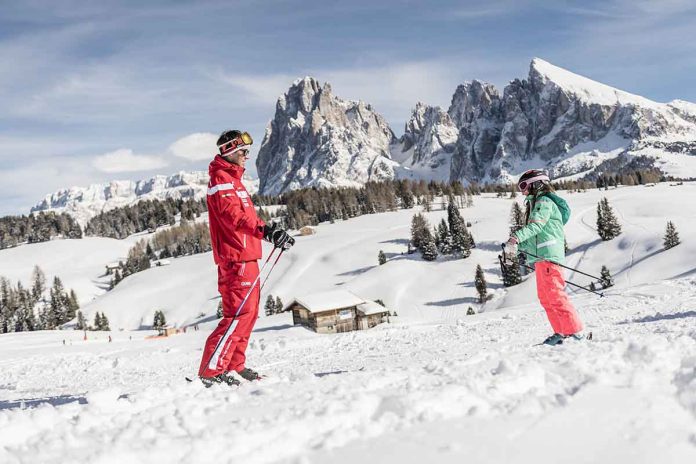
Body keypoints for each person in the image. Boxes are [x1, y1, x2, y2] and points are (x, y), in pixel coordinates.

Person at [198, 129, 294, 387]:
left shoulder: (234, 180)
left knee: (249, 315)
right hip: (235, 259)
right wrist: (263, 231)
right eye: (242, 151)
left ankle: (233, 366)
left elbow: (248, 218)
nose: (246, 156)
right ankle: (210, 371)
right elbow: (233, 217)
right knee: (237, 316)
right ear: (229, 151)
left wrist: (271, 233)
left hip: (247, 256)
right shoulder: (221, 180)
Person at [505, 169, 584, 346]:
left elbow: (535, 227)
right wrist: (514, 249)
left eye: (524, 186)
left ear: (537, 184)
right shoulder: (536, 203)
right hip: (542, 259)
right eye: (520, 187)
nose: (522, 191)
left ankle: (575, 333)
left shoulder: (544, 202)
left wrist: (515, 238)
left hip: (549, 256)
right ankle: (561, 332)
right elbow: (532, 238)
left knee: (555, 295)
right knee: (546, 298)